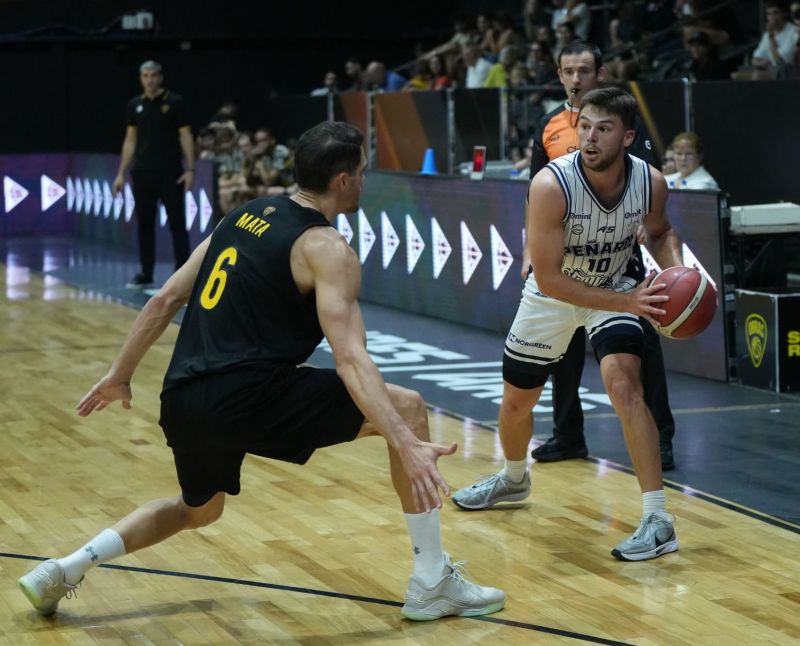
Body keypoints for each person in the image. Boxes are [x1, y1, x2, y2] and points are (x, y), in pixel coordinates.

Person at [18, 121, 505, 622]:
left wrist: (120, 375)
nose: (365, 178)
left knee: (198, 510)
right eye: (362, 170)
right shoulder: (327, 248)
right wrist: (406, 442)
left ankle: (67, 567)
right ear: (342, 180)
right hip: (247, 394)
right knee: (408, 407)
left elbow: (166, 298)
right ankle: (431, 581)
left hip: (184, 396)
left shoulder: (244, 215)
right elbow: (351, 359)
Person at [453, 87, 683, 563]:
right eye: (585, 127)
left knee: (625, 386)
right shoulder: (550, 185)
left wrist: (679, 275)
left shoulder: (651, 182)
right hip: (554, 295)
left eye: (604, 129)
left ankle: (658, 519)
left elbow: (660, 232)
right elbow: (550, 279)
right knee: (517, 402)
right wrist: (627, 300)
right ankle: (513, 478)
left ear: (628, 137)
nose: (590, 137)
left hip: (616, 284)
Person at [523, 41, 676, 472]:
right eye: (568, 71)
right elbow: (533, 195)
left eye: (584, 71)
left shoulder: (622, 121)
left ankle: (660, 437)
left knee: (640, 342)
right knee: (561, 347)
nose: (576, 79)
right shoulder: (549, 124)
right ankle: (567, 434)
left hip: (618, 252)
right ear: (559, 76)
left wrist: (646, 230)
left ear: (600, 74)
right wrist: (528, 249)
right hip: (567, 253)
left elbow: (646, 183)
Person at [113, 60, 195, 288]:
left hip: (170, 172)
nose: (149, 80)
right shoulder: (135, 105)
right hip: (142, 173)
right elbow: (130, 140)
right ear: (141, 79)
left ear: (160, 77)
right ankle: (146, 272)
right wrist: (121, 173)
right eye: (145, 76)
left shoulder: (175, 102)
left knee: (177, 223)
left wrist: (190, 169)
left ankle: (183, 274)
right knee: (145, 224)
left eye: (153, 75)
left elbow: (186, 135)